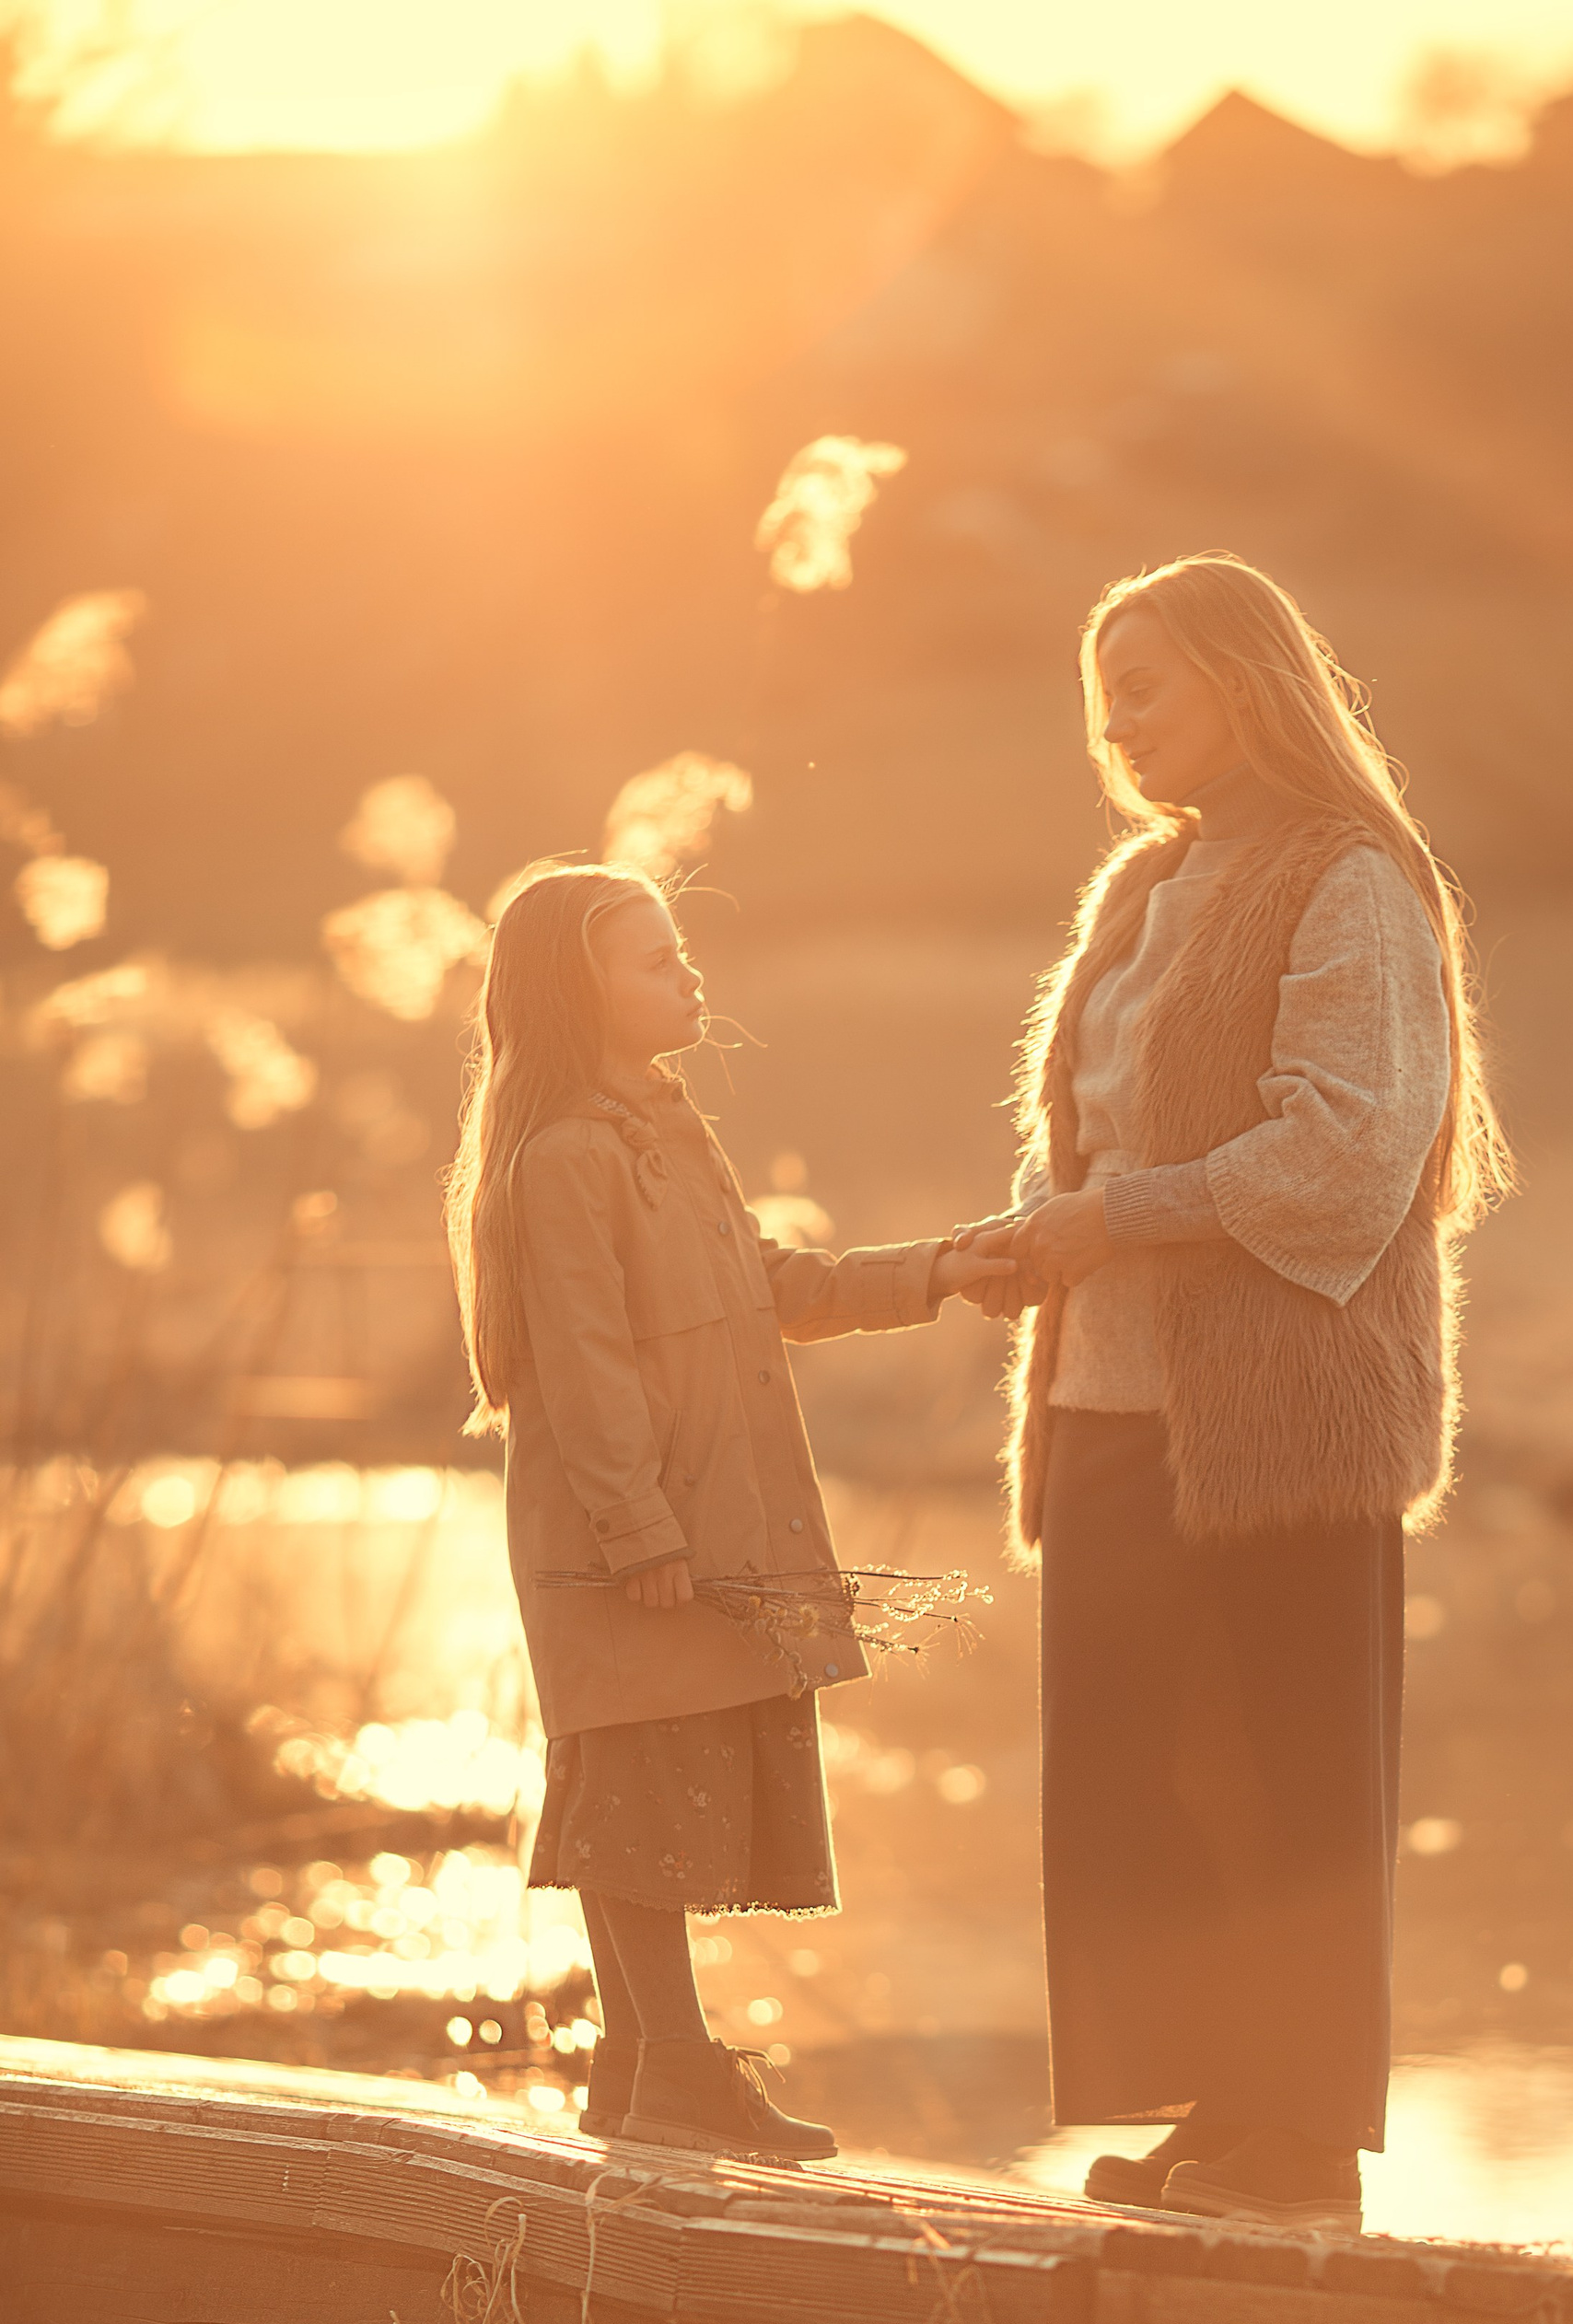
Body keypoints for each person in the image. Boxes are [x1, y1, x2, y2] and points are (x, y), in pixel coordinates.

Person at [960, 552, 1510, 2232]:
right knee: (1150, 1771)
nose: (1117, 727)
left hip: (1283, 1415)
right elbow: (1109, 1127)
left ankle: (1303, 2145)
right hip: (1113, 1401)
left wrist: (1105, 1220)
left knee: (1287, 1777)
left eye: (1147, 687)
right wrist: (1041, 1239)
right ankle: (1215, 2113)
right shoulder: (1142, 885)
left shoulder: (1352, 878)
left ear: (1247, 684)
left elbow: (1347, 1153)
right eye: (1100, 696)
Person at [447, 862, 1015, 2158]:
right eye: (653, 959)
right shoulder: (566, 1161)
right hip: (629, 1540)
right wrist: (641, 1531)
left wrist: (935, 1272)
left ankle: (640, 2067)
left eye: (679, 949)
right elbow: (585, 1368)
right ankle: (678, 2073)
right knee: (633, 1793)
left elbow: (769, 1288)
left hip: (701, 1523)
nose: (688, 972)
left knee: (641, 1783)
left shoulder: (666, 1132)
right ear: (571, 996)